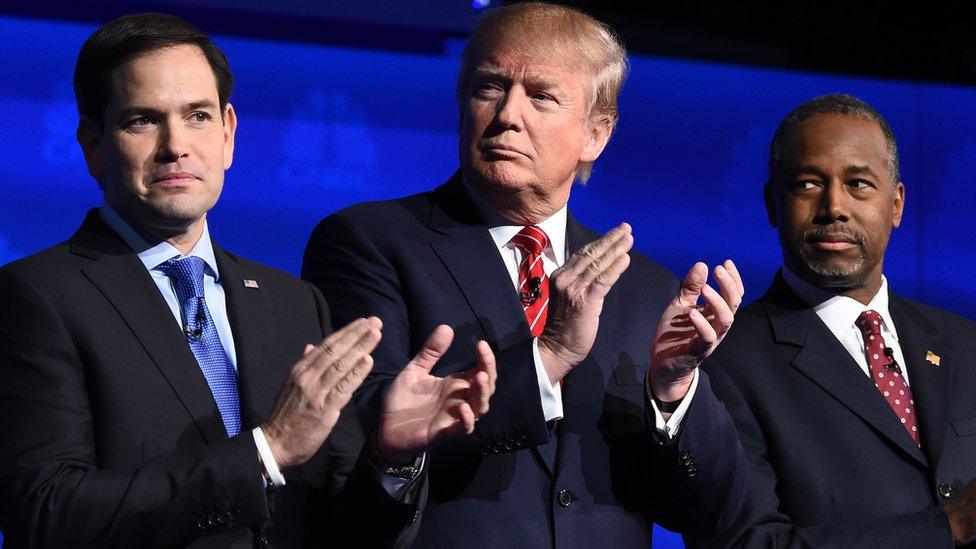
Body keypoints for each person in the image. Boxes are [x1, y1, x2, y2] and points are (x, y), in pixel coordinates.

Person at [0, 13, 497, 548]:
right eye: (143, 120)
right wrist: (267, 451)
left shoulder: (293, 302)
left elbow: (340, 532)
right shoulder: (37, 296)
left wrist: (389, 457)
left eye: (197, 117)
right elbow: (45, 512)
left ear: (229, 133)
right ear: (94, 145)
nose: (175, 145)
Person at [302, 3, 746, 547]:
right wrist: (550, 354)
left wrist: (674, 394)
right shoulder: (371, 242)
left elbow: (714, 515)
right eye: (490, 86)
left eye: (541, 95)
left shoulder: (646, 289)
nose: (508, 113)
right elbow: (356, 447)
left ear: (596, 135)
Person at [686, 93, 976, 548]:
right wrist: (946, 529)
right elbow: (746, 543)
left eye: (859, 183)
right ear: (771, 204)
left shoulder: (965, 343)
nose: (834, 207)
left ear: (896, 204)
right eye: (807, 184)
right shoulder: (726, 365)